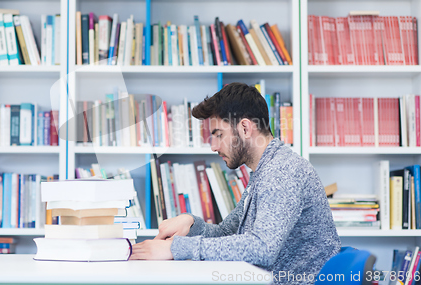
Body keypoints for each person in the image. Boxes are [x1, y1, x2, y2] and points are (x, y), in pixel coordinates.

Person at [130, 82, 341, 285]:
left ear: (245, 128)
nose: (213, 146)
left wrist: (177, 248)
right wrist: (190, 223)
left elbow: (262, 248)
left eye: (218, 135)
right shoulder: (263, 172)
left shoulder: (282, 171)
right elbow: (226, 234)